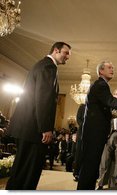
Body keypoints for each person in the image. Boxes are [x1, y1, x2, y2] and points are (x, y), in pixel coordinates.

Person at [5, 42, 71, 190]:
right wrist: (46, 128)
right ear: (55, 50)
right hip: (33, 129)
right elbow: (43, 99)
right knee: (29, 172)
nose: (67, 57)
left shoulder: (41, 65)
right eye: (65, 53)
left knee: (21, 169)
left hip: (26, 126)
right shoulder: (49, 67)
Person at [77, 60, 117, 190]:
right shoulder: (101, 84)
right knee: (90, 166)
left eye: (113, 67)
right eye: (109, 67)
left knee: (92, 166)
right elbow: (110, 101)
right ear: (101, 71)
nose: (112, 69)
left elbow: (100, 108)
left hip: (94, 132)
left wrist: (109, 115)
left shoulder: (101, 85)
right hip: (94, 133)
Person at [73, 103, 85, 181]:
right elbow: (78, 119)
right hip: (81, 133)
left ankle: (84, 174)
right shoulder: (82, 106)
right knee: (79, 154)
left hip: (91, 134)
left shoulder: (95, 107)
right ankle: (76, 173)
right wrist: (85, 126)